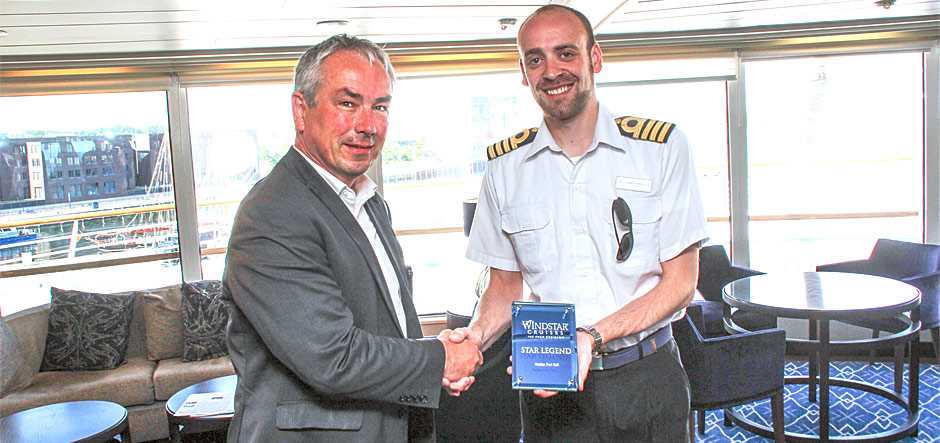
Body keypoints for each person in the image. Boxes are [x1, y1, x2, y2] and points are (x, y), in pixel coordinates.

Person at [450, 5, 709, 442]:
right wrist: (474, 337)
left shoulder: (662, 148)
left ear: (595, 58)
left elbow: (681, 283)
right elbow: (505, 286)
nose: (551, 71)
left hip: (645, 376)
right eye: (535, 59)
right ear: (523, 72)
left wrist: (591, 336)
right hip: (550, 386)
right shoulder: (505, 167)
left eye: (566, 53)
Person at [221, 34, 482, 443]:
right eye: (347, 103)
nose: (367, 126)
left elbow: (388, 325)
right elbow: (332, 357)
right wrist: (440, 359)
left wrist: (430, 357)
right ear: (301, 110)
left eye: (380, 107)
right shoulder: (271, 212)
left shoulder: (369, 202)